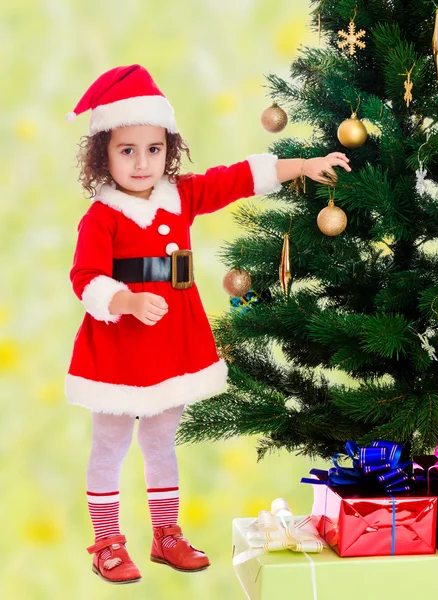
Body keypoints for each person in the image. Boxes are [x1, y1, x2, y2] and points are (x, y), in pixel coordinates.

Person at [65, 64, 351, 585]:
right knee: (109, 444)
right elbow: (84, 277)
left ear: (168, 151)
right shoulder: (101, 216)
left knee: (160, 441)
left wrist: (302, 164)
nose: (142, 161)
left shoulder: (181, 196)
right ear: (102, 154)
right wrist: (124, 301)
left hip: (172, 343)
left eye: (153, 149)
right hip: (116, 348)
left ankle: (166, 534)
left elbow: (235, 178)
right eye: (127, 150)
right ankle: (107, 541)